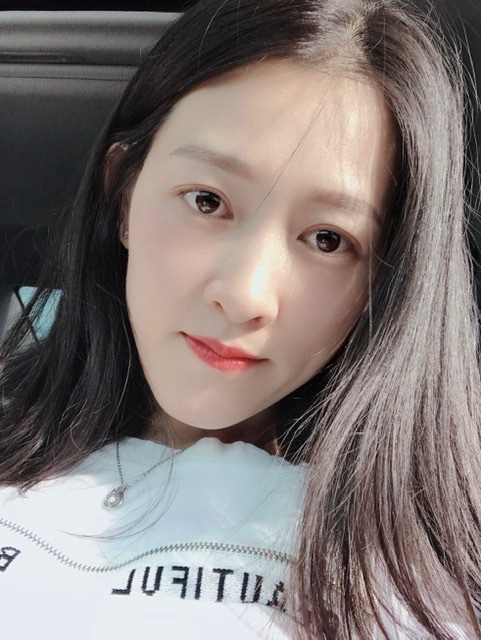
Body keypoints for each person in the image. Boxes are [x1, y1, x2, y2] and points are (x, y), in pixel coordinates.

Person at [0, 0, 480, 637]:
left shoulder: (427, 575)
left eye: (329, 239)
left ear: (384, 283)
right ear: (123, 194)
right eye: (207, 201)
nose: (245, 295)